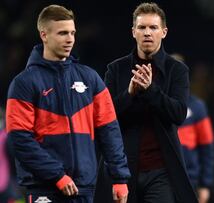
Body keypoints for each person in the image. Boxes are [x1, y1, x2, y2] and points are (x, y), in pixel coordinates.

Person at [5, 5, 130, 203]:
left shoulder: (90, 79)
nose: (70, 39)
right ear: (44, 35)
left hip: (84, 189)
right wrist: (57, 176)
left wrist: (120, 177)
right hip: (43, 190)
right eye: (62, 33)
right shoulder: (24, 84)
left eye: (72, 32)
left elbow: (109, 130)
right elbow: (20, 140)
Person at [102, 2, 197, 203]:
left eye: (153, 27)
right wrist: (130, 93)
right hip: (122, 170)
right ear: (133, 32)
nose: (147, 33)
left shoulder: (177, 70)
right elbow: (105, 118)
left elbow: (179, 114)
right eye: (142, 27)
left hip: (161, 171)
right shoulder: (115, 69)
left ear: (163, 32)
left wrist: (151, 91)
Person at [171, 53, 214, 203]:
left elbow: (207, 148)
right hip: (160, 178)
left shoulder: (197, 106)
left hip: (190, 180)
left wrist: (205, 184)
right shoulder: (153, 103)